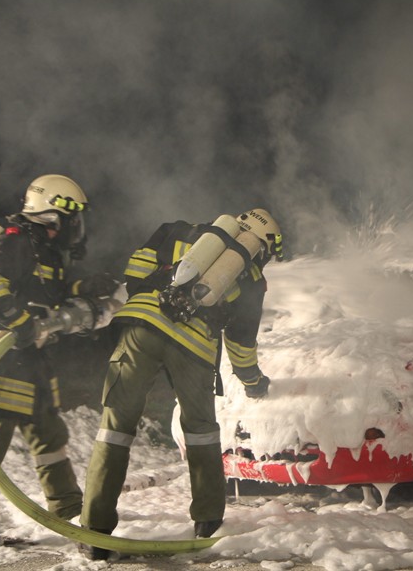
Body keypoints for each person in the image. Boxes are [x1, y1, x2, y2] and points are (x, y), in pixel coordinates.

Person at [79, 208, 283, 560]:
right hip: (195, 346)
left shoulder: (179, 231)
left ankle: (95, 530)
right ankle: (208, 524)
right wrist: (254, 383)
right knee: (201, 432)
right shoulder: (250, 276)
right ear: (264, 245)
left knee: (115, 427)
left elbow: (134, 270)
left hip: (141, 325)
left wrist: (154, 297)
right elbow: (241, 343)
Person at [0, 174, 119, 552]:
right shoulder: (16, 242)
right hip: (0, 361)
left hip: (30, 363)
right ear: (54, 217)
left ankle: (68, 509)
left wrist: (81, 289)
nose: (77, 227)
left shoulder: (45, 252)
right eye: (72, 219)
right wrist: (19, 324)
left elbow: (46, 295)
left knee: (50, 438)